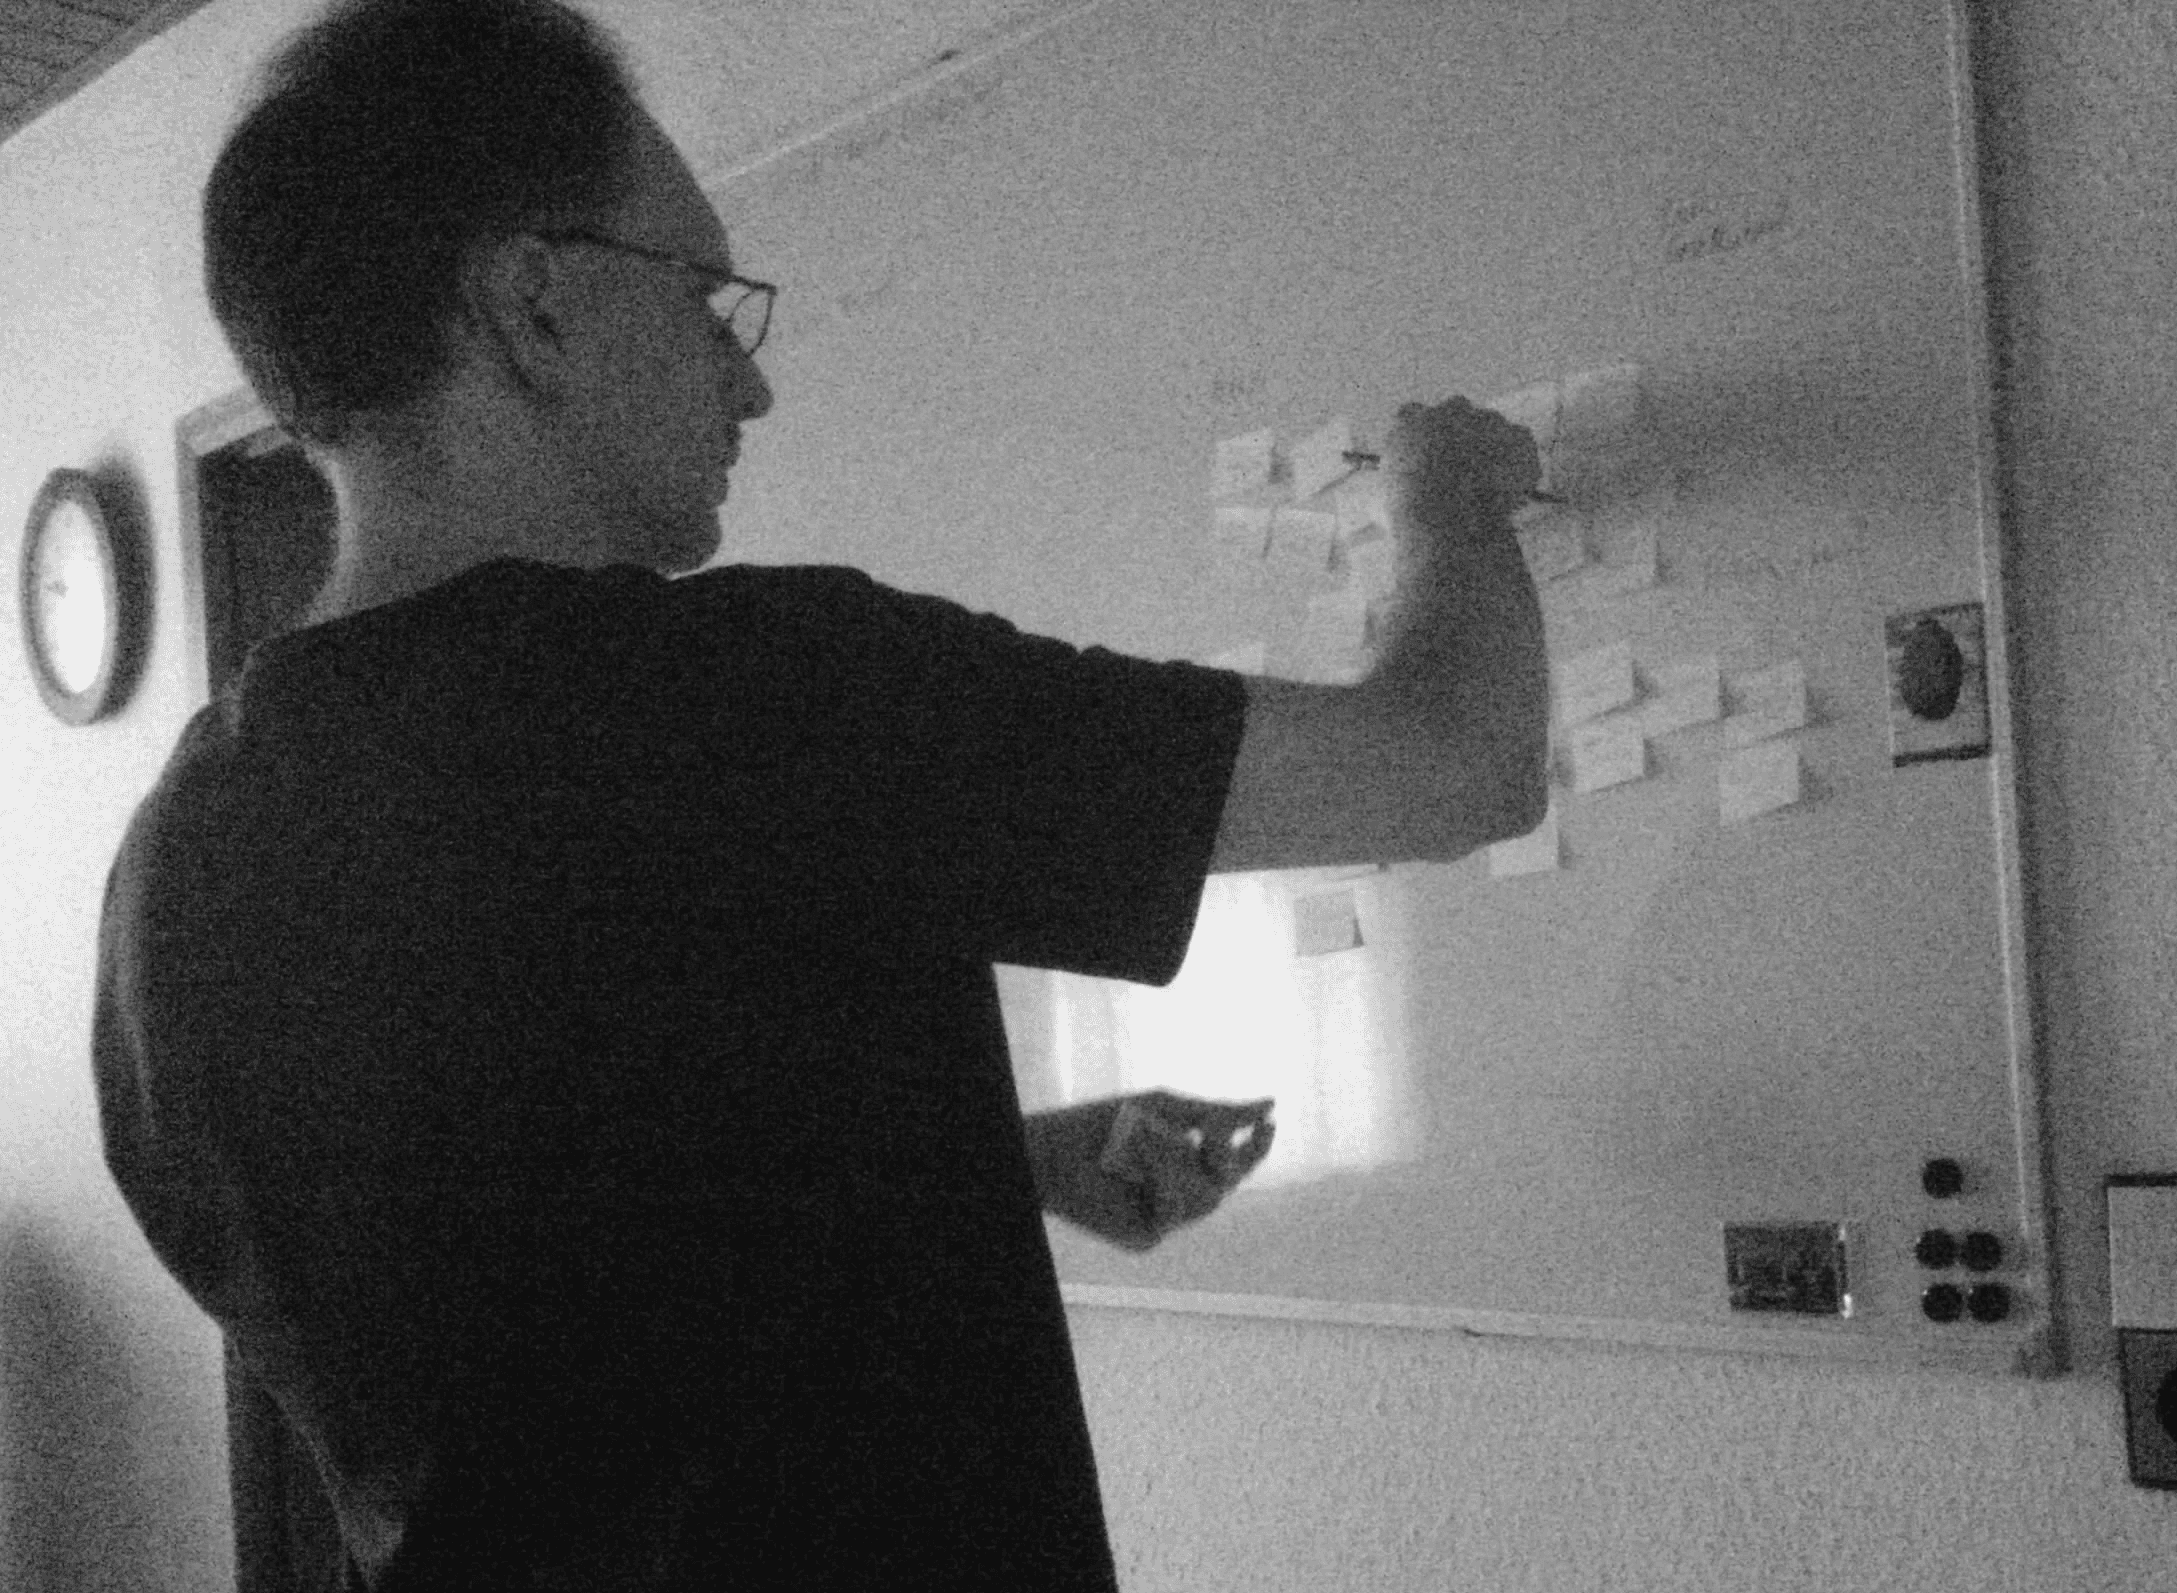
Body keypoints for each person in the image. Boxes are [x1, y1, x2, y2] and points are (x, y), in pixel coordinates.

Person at [90, 0, 1548, 1587]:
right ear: (534, 307)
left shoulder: (171, 875)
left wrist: (1010, 1160)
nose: (749, 384)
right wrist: (1449, 501)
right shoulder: (756, 700)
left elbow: (552, 1263)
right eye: (704, 296)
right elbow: (1454, 762)